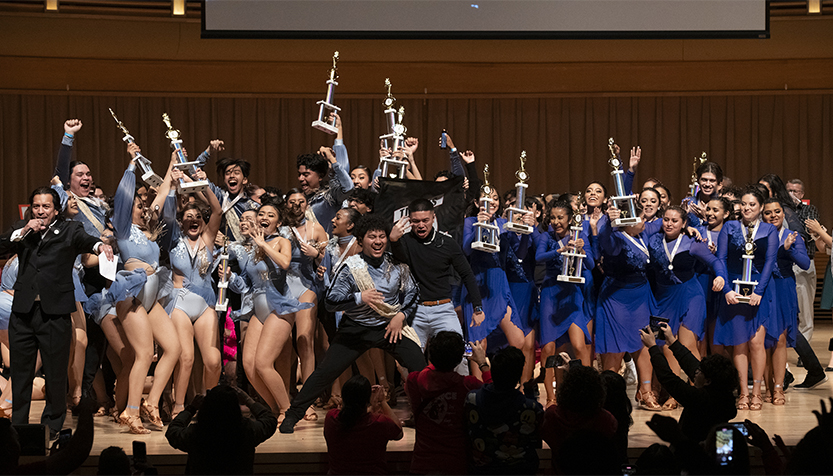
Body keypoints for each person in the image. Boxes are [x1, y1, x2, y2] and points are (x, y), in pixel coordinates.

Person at [280, 215, 427, 433]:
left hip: (389, 327)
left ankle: (428, 415)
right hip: (355, 329)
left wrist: (401, 316)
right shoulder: (351, 267)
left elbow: (414, 293)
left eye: (381, 237)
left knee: (421, 370)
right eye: (371, 237)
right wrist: (359, 298)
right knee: (325, 374)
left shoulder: (396, 265)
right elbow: (330, 302)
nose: (377, 241)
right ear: (361, 240)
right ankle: (292, 415)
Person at [0, 187, 112, 437]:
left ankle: (52, 426)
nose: (40, 211)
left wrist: (100, 247)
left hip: (55, 312)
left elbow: (87, 241)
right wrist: (24, 230)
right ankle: (18, 428)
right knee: (20, 373)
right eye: (36, 206)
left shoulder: (70, 229)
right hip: (24, 311)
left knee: (55, 372)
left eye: (46, 206)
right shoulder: (23, 230)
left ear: (56, 209)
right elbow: (1, 246)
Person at [389, 199, 484, 355]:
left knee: (457, 356)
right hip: (415, 311)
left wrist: (477, 307)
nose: (421, 225)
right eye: (415, 221)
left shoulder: (447, 243)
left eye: (425, 220)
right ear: (408, 221)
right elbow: (400, 263)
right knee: (410, 361)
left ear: (433, 218)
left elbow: (466, 274)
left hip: (443, 309)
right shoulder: (404, 241)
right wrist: (394, 241)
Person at [714, 187, 778, 411]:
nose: (747, 208)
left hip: (760, 291)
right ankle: (743, 392)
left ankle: (757, 392)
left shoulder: (769, 230)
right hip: (734, 290)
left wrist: (759, 291)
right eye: (744, 204)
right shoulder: (730, 227)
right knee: (739, 343)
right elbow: (720, 258)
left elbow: (770, 262)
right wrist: (727, 289)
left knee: (756, 342)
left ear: (760, 207)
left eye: (753, 204)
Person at [595, 204, 663, 410]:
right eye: (640, 217)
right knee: (615, 348)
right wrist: (608, 219)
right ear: (627, 222)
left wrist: (693, 225)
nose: (645, 220)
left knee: (644, 343)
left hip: (640, 295)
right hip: (617, 297)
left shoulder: (644, 234)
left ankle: (645, 392)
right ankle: (609, 396)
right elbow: (604, 236)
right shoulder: (616, 240)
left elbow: (670, 221)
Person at [535, 200, 594, 407]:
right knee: (549, 348)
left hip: (572, 295)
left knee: (579, 346)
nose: (556, 222)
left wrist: (583, 249)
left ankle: (588, 390)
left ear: (570, 219)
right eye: (552, 218)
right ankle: (551, 396)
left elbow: (591, 264)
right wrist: (559, 250)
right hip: (551, 294)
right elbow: (538, 257)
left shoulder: (580, 236)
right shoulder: (546, 237)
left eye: (560, 218)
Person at [407, 331, 490, 475]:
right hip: (455, 465)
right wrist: (483, 364)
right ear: (459, 360)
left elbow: (428, 372)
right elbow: (493, 394)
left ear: (431, 355)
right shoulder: (468, 385)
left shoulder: (414, 381)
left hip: (422, 465)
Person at [641, 323, 738, 442]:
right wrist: (672, 341)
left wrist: (652, 347)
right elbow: (691, 363)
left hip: (693, 453)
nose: (695, 372)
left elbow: (668, 378)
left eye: (700, 372)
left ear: (708, 381)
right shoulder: (725, 396)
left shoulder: (700, 399)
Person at [761, 198, 810, 405]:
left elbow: (805, 263)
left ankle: (779, 387)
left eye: (777, 211)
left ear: (783, 213)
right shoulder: (758, 236)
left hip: (783, 289)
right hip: (762, 289)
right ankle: (767, 387)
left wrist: (788, 248)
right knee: (763, 341)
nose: (773, 215)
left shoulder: (792, 236)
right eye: (768, 212)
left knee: (779, 340)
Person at [464, 346, 543, 474]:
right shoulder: (532, 408)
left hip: (482, 470)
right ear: (519, 374)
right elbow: (536, 439)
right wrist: (529, 393)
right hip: (520, 470)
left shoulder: (472, 400)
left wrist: (483, 365)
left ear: (494, 371)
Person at [165, 385, 277, 475]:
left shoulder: (198, 433)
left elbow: (173, 431)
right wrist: (248, 401)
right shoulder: (246, 430)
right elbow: (269, 420)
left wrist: (191, 409)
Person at [323, 375, 403, 475]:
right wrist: (382, 402)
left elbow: (350, 414)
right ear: (367, 401)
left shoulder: (331, 418)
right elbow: (398, 432)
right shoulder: (379, 422)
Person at [541, 364, 618, 457]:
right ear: (598, 391)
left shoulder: (552, 416)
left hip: (561, 469)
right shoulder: (605, 419)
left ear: (565, 389)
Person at [786, 178, 819, 347]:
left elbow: (808, 229)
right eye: (789, 191)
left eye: (795, 191)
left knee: (805, 309)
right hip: (784, 264)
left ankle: (805, 349)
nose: (792, 194)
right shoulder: (780, 209)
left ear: (802, 194)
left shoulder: (809, 209)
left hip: (804, 264)